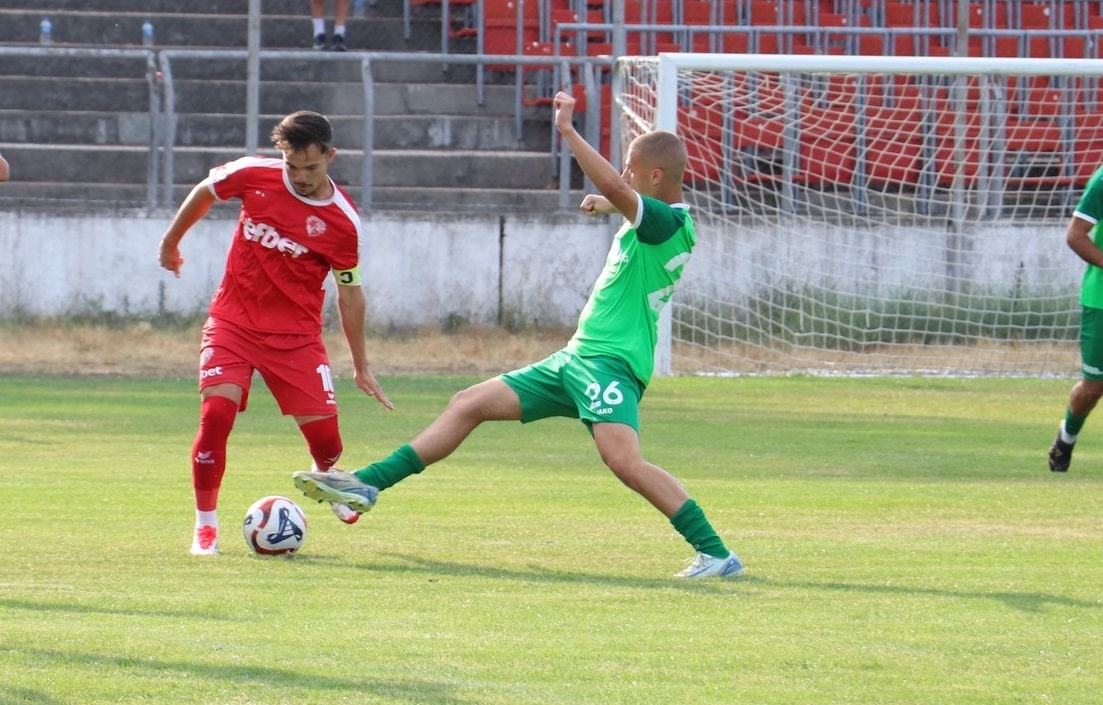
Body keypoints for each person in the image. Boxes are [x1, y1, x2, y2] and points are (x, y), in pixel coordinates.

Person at [293, 91, 743, 578]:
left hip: (610, 363)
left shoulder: (667, 222)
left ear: (655, 176)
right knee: (469, 402)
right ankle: (366, 483)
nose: (625, 174)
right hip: (577, 359)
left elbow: (616, 186)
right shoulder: (669, 220)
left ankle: (716, 553)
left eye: (633, 168)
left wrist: (569, 132)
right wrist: (611, 205)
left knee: (625, 462)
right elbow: (622, 196)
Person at [158, 109, 393, 555]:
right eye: (291, 165)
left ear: (330, 157)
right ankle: (205, 526)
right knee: (216, 418)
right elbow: (205, 192)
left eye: (311, 167)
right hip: (233, 322)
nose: (300, 177)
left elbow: (350, 296)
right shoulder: (252, 174)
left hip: (297, 339)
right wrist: (171, 242)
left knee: (328, 442)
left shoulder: (343, 223)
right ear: (280, 155)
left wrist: (361, 368)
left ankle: (327, 478)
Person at [1049, 166, 1103, 472]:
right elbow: (1076, 235)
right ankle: (1066, 439)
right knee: (1094, 388)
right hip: (1101, 300)